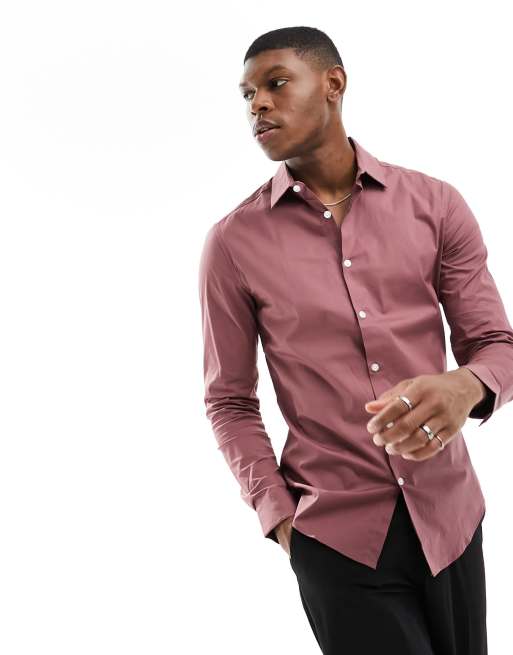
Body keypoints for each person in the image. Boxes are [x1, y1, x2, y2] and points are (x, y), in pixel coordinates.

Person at [198, 25, 513, 654]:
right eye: (248, 95)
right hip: (337, 539)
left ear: (333, 84)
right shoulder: (233, 243)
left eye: (276, 83)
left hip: (451, 521)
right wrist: (280, 518)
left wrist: (465, 386)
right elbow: (228, 400)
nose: (258, 105)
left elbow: (496, 342)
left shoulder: (436, 205)